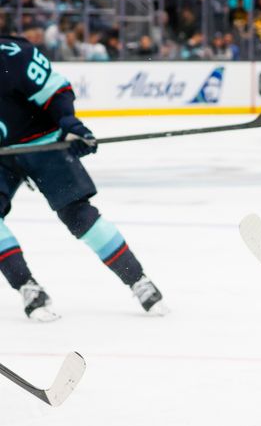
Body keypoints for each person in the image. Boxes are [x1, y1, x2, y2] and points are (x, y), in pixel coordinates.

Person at [0, 35, 167, 321]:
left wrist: (69, 123)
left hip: (43, 141)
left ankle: (137, 280)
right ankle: (28, 287)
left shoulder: (12, 53)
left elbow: (55, 89)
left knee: (78, 214)